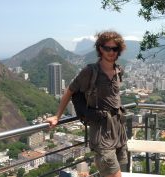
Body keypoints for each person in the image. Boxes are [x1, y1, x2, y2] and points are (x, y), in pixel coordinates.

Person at [46, 31, 128, 177]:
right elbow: (69, 91)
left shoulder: (118, 70)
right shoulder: (90, 71)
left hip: (118, 130)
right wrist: (57, 116)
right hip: (101, 131)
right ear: (100, 49)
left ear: (119, 50)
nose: (111, 52)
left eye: (114, 49)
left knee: (116, 170)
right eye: (106, 48)